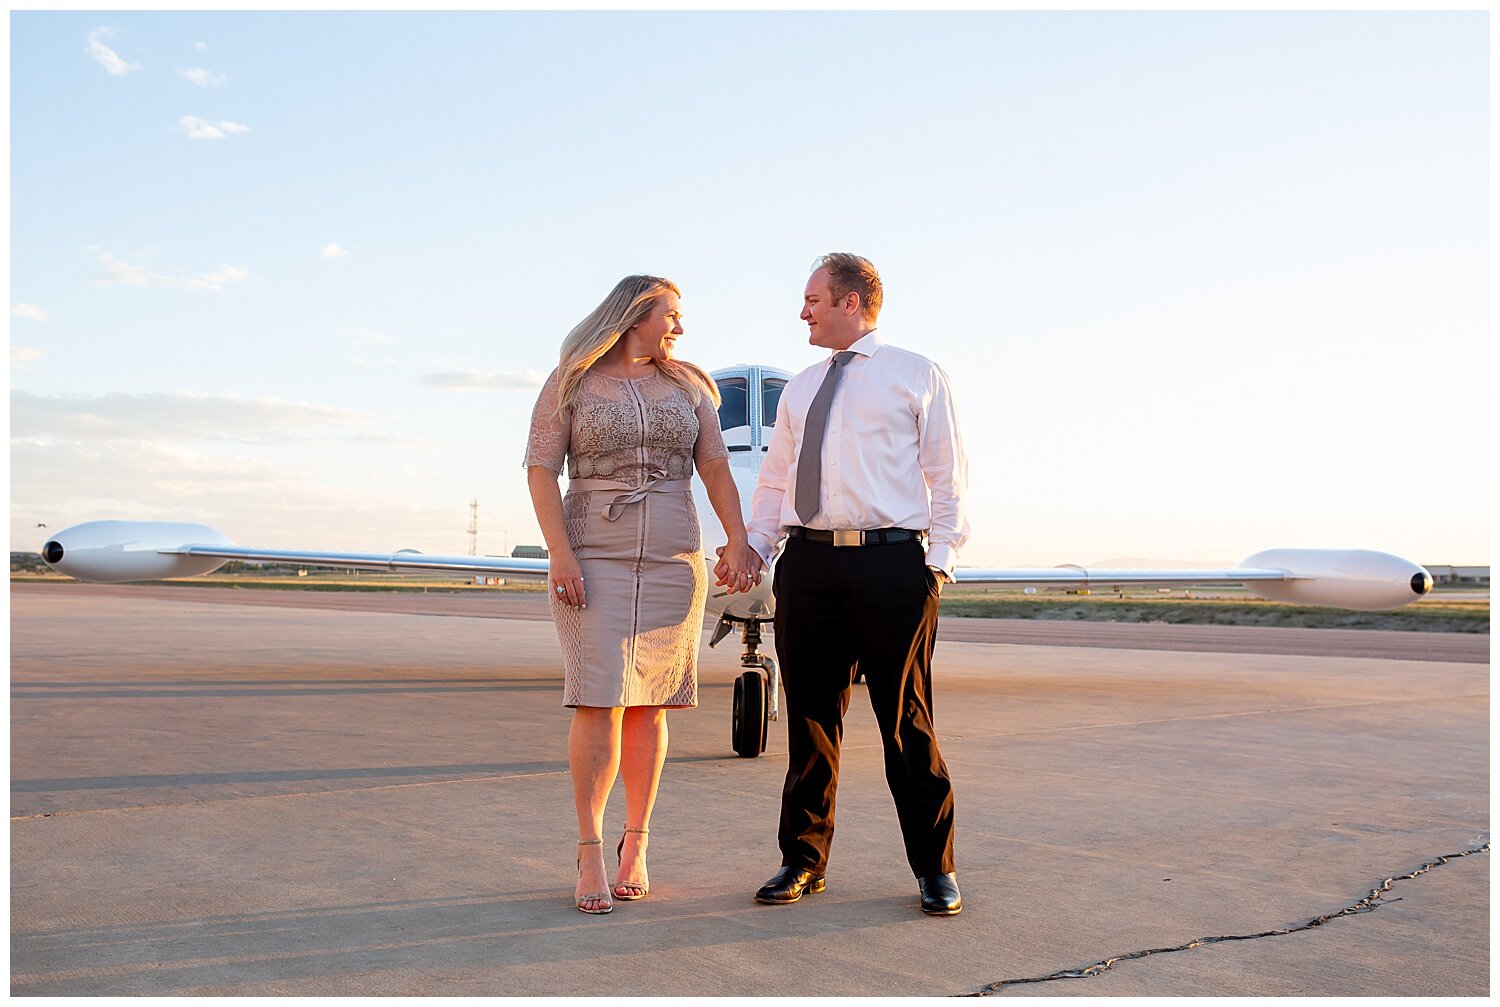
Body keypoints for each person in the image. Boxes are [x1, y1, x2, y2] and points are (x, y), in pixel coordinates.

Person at [723, 252, 970, 916]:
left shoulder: (916, 374)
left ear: (851, 302)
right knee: (809, 723)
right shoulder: (802, 386)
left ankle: (934, 866)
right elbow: (775, 480)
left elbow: (947, 473)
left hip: (891, 565)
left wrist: (938, 561)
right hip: (809, 567)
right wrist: (758, 548)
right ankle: (802, 859)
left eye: (812, 299)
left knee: (906, 722)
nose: (802, 311)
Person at [526, 275, 759, 915]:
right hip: (592, 552)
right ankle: (590, 848)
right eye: (671, 314)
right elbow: (541, 471)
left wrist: (737, 539)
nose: (679, 326)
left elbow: (714, 466)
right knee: (597, 699)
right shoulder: (571, 382)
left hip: (672, 557)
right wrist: (560, 553)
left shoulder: (690, 387)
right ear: (635, 315)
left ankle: (637, 841)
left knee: (652, 703)